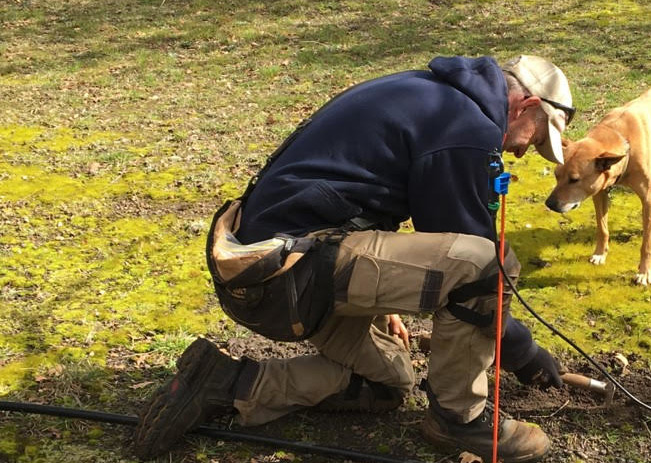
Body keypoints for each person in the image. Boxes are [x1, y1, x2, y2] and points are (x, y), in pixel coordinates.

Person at [133, 55, 576, 462]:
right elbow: (472, 259)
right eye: (535, 138)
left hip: (259, 274)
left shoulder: (425, 93)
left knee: (389, 383)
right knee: (485, 263)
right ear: (526, 105)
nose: (521, 151)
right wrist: (522, 351)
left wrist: (376, 301)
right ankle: (460, 420)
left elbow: (363, 191)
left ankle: (226, 384)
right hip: (292, 272)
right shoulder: (464, 125)